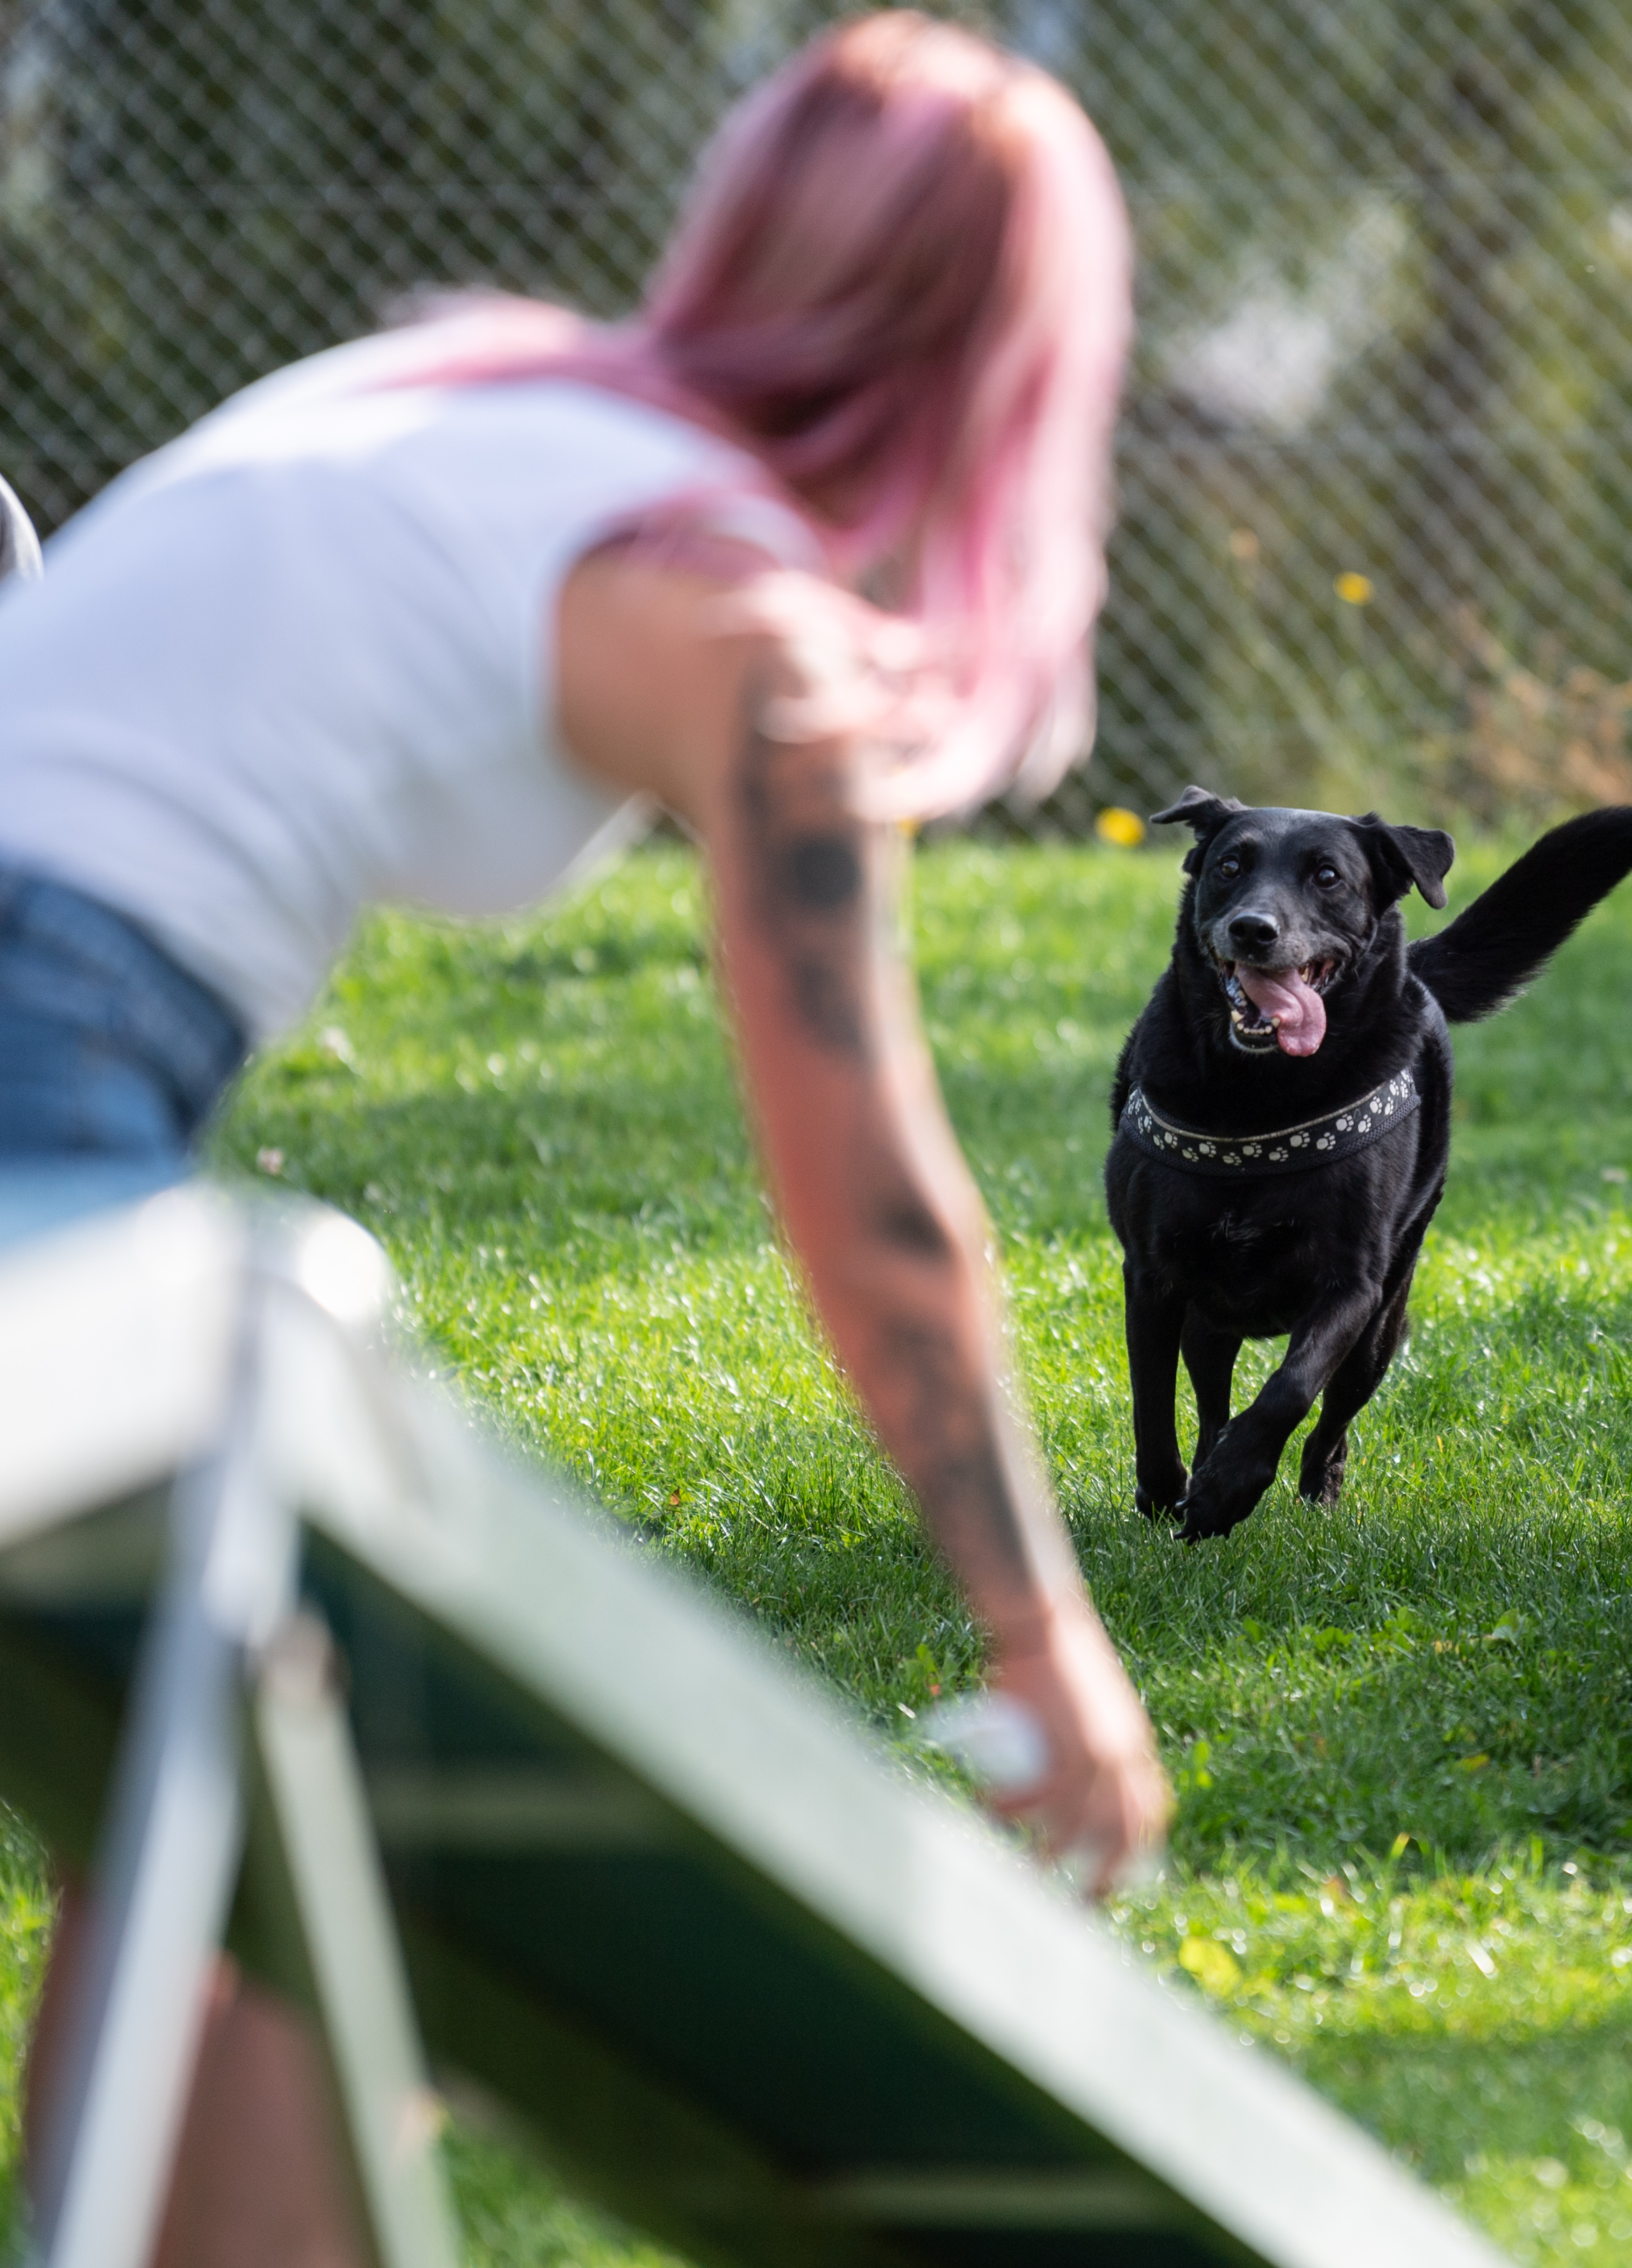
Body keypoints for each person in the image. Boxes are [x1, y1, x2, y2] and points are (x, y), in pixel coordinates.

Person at [0, 16, 1171, 2260]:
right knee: (285, 1768)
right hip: (41, 1055)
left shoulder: (448, 398)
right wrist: (1046, 1637)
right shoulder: (728, 615)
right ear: (999, 374)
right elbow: (871, 1182)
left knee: (239, 1769)